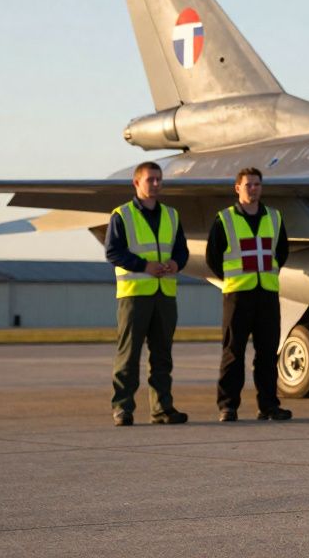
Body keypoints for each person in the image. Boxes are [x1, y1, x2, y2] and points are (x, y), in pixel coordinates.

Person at [105, 161, 189, 426]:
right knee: (129, 354)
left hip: (164, 294)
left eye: (158, 179)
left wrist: (176, 263)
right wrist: (144, 266)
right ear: (136, 182)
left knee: (162, 355)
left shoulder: (171, 215)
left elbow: (182, 250)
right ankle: (122, 408)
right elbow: (113, 252)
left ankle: (162, 408)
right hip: (134, 294)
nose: (155, 184)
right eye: (150, 179)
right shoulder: (122, 215)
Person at [206, 167, 291, 422]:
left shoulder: (274, 217)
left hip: (266, 294)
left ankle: (269, 405)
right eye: (248, 185)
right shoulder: (225, 219)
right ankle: (228, 406)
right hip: (237, 296)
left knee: (267, 353)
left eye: (257, 185)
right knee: (233, 352)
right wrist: (232, 279)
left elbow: (282, 251)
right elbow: (213, 257)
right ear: (237, 188)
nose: (253, 189)